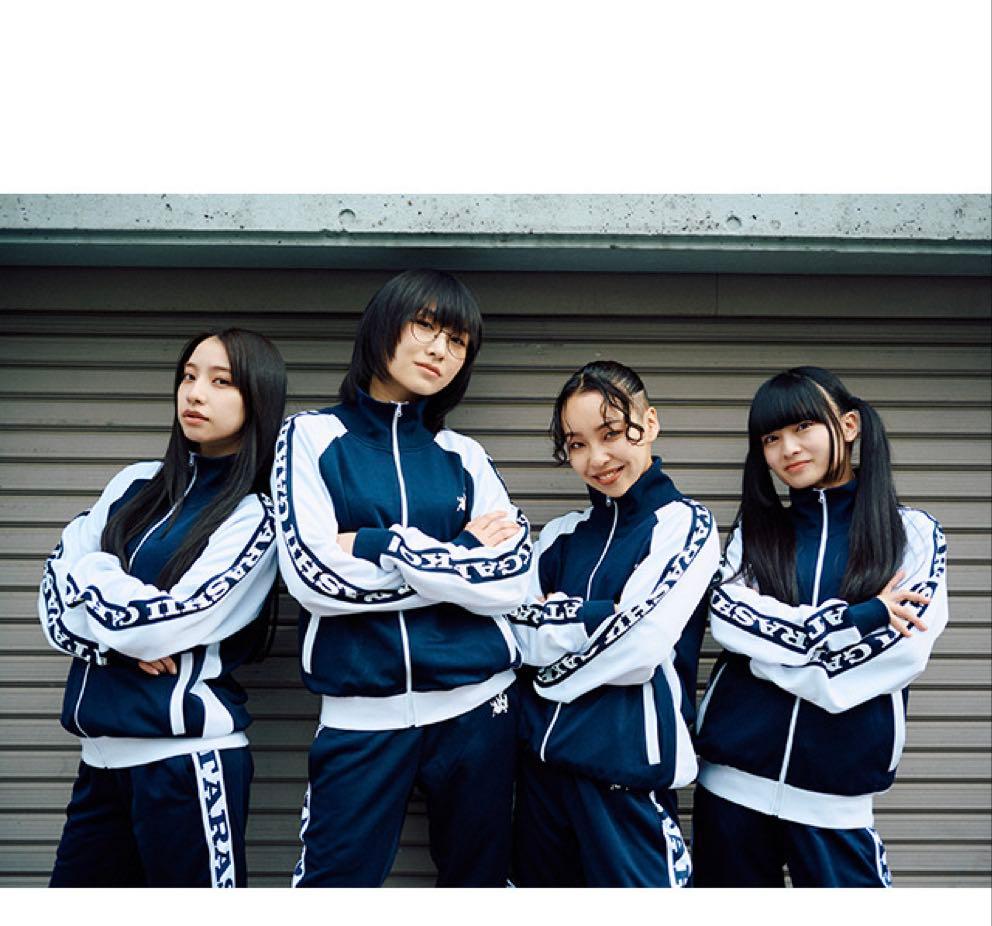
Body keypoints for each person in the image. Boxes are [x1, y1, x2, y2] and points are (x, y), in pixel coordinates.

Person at [273, 269, 532, 887]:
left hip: (479, 708)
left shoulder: (464, 455)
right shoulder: (311, 436)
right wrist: (460, 558)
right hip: (361, 716)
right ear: (383, 325)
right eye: (426, 326)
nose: (441, 350)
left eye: (458, 341)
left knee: (480, 888)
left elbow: (512, 581)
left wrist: (374, 543)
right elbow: (313, 575)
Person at [40, 328, 287, 887]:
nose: (195, 393)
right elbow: (52, 605)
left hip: (187, 764)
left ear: (257, 398)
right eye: (189, 376)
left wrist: (92, 569)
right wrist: (116, 644)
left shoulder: (253, 516)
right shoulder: (132, 484)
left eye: (221, 382)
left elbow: (167, 627)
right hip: (100, 761)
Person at [691, 365, 948, 887]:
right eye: (771, 438)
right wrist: (854, 619)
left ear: (849, 426)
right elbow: (729, 621)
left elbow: (903, 651)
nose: (787, 448)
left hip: (837, 799)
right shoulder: (757, 532)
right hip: (731, 789)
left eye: (803, 427)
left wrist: (769, 659)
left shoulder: (912, 534)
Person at [507, 360, 720, 887]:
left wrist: (551, 654)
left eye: (610, 434)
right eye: (577, 444)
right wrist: (604, 613)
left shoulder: (683, 524)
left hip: (628, 777)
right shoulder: (560, 535)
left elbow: (641, 645)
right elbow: (513, 633)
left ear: (650, 423)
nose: (596, 458)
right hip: (540, 778)